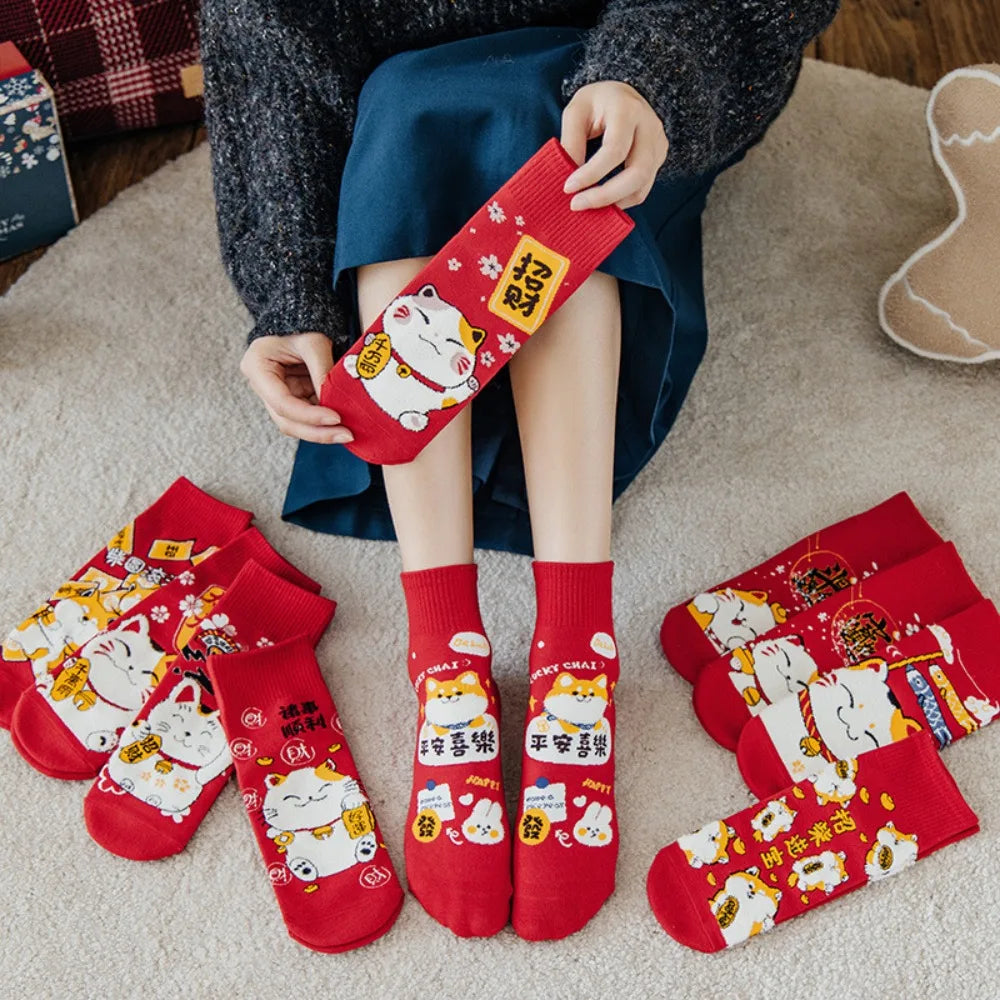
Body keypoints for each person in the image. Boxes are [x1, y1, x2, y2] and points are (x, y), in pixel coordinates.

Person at [199, 0, 841, 941]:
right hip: (388, 106)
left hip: (633, 67)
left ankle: (575, 645)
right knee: (413, 111)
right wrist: (287, 289)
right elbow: (264, 34)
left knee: (546, 127)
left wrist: (652, 70)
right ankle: (445, 653)